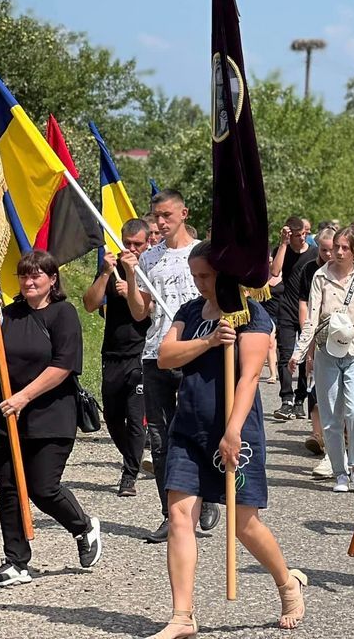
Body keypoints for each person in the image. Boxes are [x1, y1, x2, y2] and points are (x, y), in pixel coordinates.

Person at [147, 242, 306, 637]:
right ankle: (182, 616)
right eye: (195, 276)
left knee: (243, 523)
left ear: (223, 275)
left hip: (235, 429)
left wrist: (233, 430)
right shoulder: (188, 312)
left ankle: (288, 583)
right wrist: (207, 342)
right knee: (180, 514)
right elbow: (165, 355)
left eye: (205, 276)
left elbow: (250, 376)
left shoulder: (251, 315)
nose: (199, 284)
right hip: (189, 426)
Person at [0, 250, 102, 587]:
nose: (29, 282)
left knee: (42, 488)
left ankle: (83, 527)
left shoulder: (63, 314)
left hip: (51, 415)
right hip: (6, 418)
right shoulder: (8, 315)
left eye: (36, 276)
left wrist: (24, 397)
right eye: (24, 276)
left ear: (52, 280)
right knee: (10, 489)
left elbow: (63, 365)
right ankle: (16, 562)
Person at [125, 189, 219, 543]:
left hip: (197, 351)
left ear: (183, 213)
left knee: (200, 427)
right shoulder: (150, 258)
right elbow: (139, 312)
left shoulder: (204, 254)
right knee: (161, 437)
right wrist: (132, 277)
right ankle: (170, 512)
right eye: (156, 216)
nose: (161, 223)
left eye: (167, 215)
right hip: (156, 353)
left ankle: (208, 496)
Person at [290, 228, 354, 494]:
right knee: (330, 416)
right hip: (327, 352)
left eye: (345, 248)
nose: (339, 252)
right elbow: (311, 319)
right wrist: (299, 352)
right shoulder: (320, 276)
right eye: (336, 246)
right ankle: (339, 472)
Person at [82, 218, 152, 497]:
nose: (132, 248)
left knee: (136, 419)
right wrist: (104, 273)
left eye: (138, 244)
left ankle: (129, 474)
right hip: (112, 353)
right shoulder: (112, 271)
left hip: (141, 353)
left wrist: (132, 283)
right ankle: (135, 455)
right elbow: (89, 304)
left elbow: (142, 312)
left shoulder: (151, 270)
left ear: (148, 243)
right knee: (112, 417)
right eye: (128, 243)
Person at [294, 228, 335, 477]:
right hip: (315, 332)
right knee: (316, 389)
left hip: (341, 338)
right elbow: (304, 303)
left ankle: (338, 442)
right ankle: (317, 434)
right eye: (324, 249)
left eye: (333, 249)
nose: (330, 254)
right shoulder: (310, 270)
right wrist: (306, 335)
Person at [269, 217, 316, 420]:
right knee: (286, 353)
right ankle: (286, 399)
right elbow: (275, 271)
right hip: (287, 307)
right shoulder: (283, 250)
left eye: (304, 234)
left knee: (305, 355)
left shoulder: (314, 253)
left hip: (308, 306)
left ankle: (300, 400)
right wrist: (283, 244)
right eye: (297, 235)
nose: (301, 238)